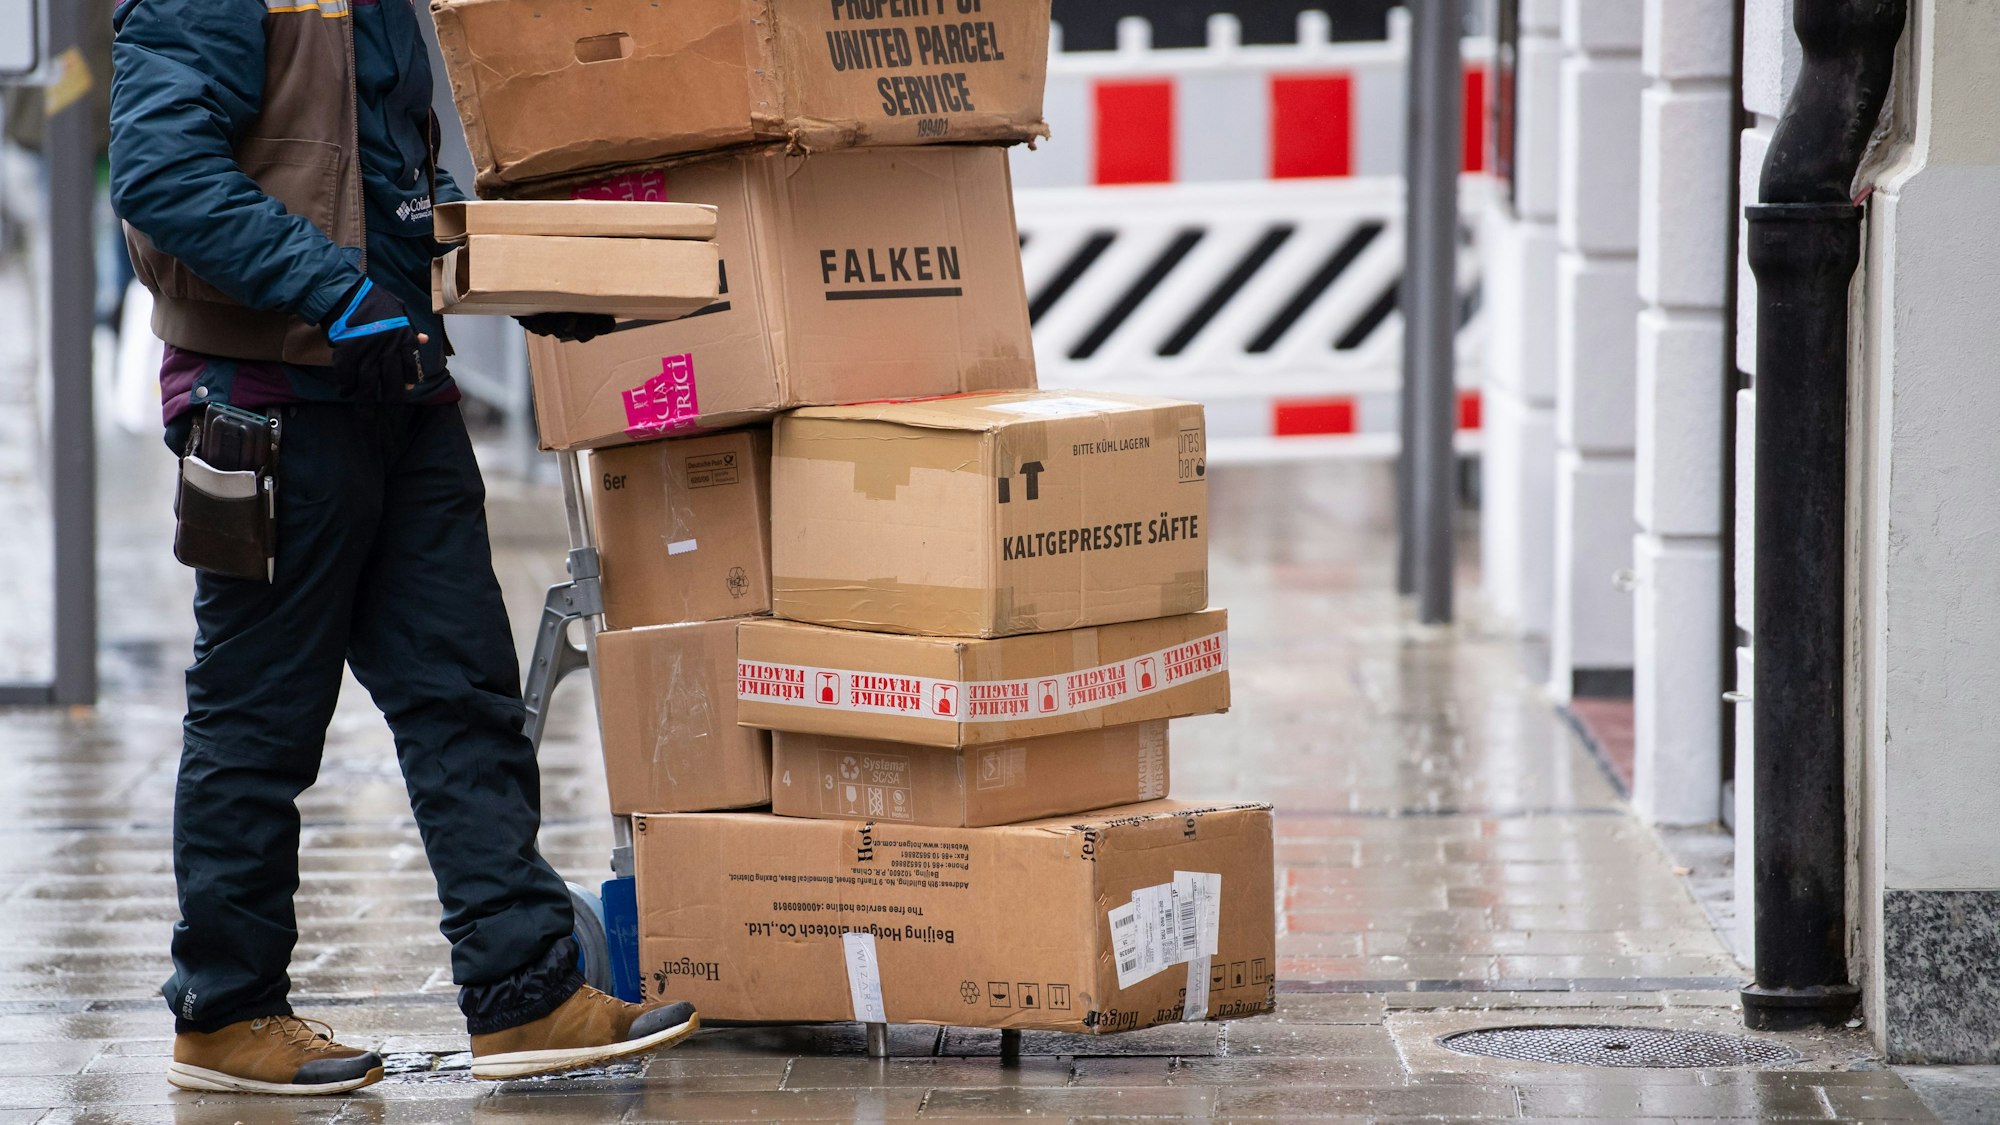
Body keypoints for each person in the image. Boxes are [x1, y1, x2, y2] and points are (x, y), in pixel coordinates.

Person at [108, 0, 694, 1096]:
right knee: (259, 719)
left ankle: (526, 996)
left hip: (399, 390)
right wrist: (333, 292)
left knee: (461, 693)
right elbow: (161, 174)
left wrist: (521, 278)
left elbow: (378, 192)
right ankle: (225, 1014)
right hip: (273, 403)